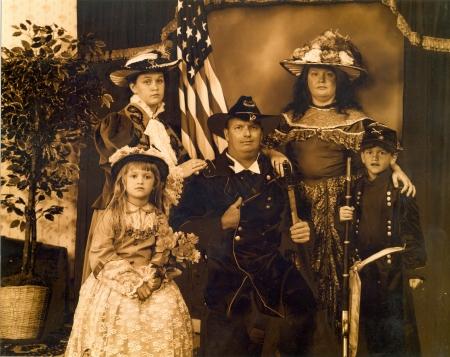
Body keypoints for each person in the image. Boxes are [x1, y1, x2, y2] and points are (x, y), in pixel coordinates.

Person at [262, 29, 416, 335]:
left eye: (328, 76)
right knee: (302, 275)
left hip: (342, 204)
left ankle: (341, 338)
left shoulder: (355, 120)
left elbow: (380, 151)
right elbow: (264, 144)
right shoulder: (291, 117)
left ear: (338, 81)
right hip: (301, 205)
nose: (320, 81)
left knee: (343, 272)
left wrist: (397, 170)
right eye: (314, 74)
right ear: (304, 79)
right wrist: (274, 151)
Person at [170, 96, 317, 356]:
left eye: (253, 128)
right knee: (227, 340)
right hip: (223, 272)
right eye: (239, 128)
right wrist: (220, 223)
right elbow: (178, 228)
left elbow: (299, 221)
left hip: (271, 269)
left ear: (261, 132)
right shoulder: (205, 177)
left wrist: (303, 230)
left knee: (303, 307)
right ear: (226, 133)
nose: (246, 134)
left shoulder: (280, 175)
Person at [81, 47, 207, 283]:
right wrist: (179, 172)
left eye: (159, 81)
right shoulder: (120, 122)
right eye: (147, 81)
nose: (155, 87)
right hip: (121, 215)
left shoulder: (164, 129)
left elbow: (184, 169)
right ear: (133, 87)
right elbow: (129, 173)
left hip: (154, 216)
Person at [66, 148, 195, 356]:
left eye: (147, 176)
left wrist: (155, 275)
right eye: (133, 176)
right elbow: (102, 253)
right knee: (122, 315)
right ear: (123, 180)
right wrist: (133, 283)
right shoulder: (112, 214)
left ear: (155, 183)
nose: (140, 181)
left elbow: (162, 248)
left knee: (167, 310)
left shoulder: (159, 215)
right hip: (116, 280)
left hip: (149, 277)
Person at [338, 123, 427, 356]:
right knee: (369, 330)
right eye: (369, 152)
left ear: (393, 156)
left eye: (382, 152)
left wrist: (416, 268)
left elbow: (411, 229)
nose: (374, 158)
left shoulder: (400, 186)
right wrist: (342, 217)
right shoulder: (353, 187)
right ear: (362, 155)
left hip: (392, 271)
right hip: (364, 270)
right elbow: (346, 233)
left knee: (394, 329)